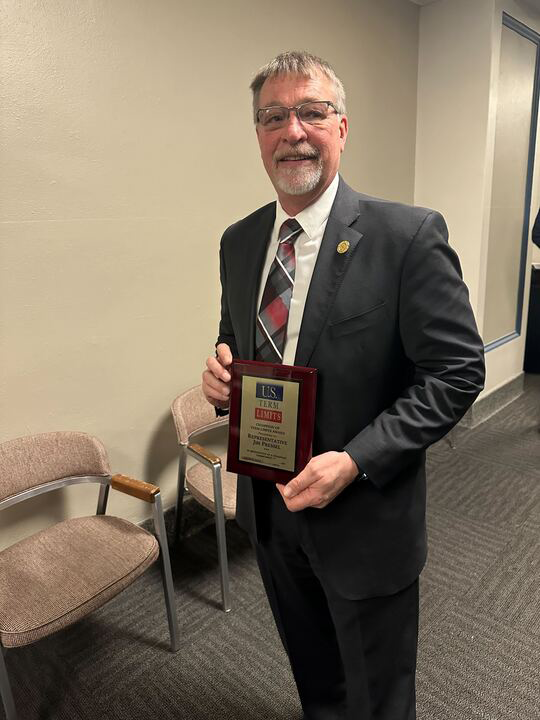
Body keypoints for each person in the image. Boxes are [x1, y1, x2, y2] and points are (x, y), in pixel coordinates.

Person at [202, 51, 485, 720]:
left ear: (342, 127)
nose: (293, 129)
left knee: (380, 696)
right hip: (271, 511)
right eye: (274, 116)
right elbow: (236, 344)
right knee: (317, 684)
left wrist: (356, 460)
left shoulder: (407, 236)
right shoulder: (240, 242)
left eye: (312, 112)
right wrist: (220, 379)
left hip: (364, 519)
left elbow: (457, 371)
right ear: (259, 134)